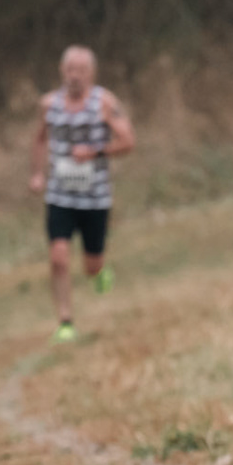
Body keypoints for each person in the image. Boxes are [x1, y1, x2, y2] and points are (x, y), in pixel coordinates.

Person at [29, 45, 134, 342]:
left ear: (92, 73)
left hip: (95, 197)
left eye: (81, 70)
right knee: (58, 257)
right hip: (60, 195)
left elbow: (128, 141)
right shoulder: (49, 105)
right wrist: (37, 173)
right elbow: (39, 138)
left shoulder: (104, 103)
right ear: (62, 71)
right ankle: (65, 321)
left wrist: (95, 152)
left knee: (91, 265)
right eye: (70, 70)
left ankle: (99, 272)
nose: (75, 76)